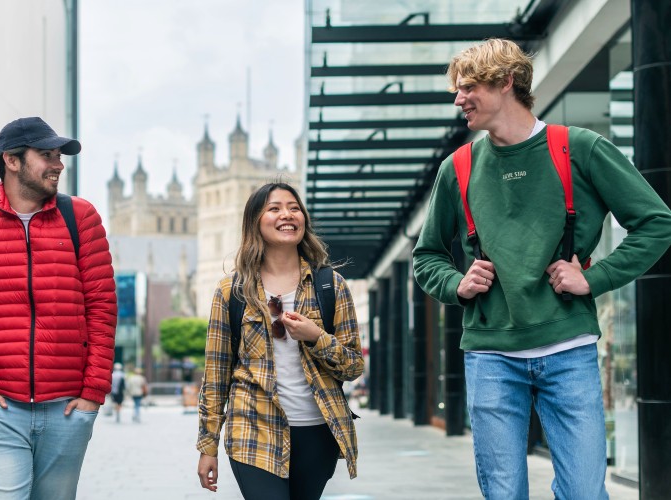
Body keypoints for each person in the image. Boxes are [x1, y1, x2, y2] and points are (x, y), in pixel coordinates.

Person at [413, 39, 671, 499]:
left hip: (568, 348)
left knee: (584, 493)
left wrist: (594, 278)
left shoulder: (580, 149)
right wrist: (457, 283)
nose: (458, 99)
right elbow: (426, 256)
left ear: (506, 81)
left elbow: (655, 224)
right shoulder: (458, 168)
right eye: (457, 89)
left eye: (468, 86)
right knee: (503, 493)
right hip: (492, 355)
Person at [0, 116, 117, 500]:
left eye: (58, 155)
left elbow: (102, 307)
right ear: (12, 160)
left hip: (68, 409)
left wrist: (92, 392)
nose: (58, 164)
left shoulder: (80, 217)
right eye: (47, 154)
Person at [196, 182, 364, 500]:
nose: (287, 214)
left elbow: (353, 366)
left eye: (294, 208)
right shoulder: (232, 291)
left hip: (317, 431)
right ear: (255, 222)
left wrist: (316, 338)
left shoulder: (331, 286)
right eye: (274, 208)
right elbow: (215, 375)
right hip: (253, 429)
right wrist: (208, 445)